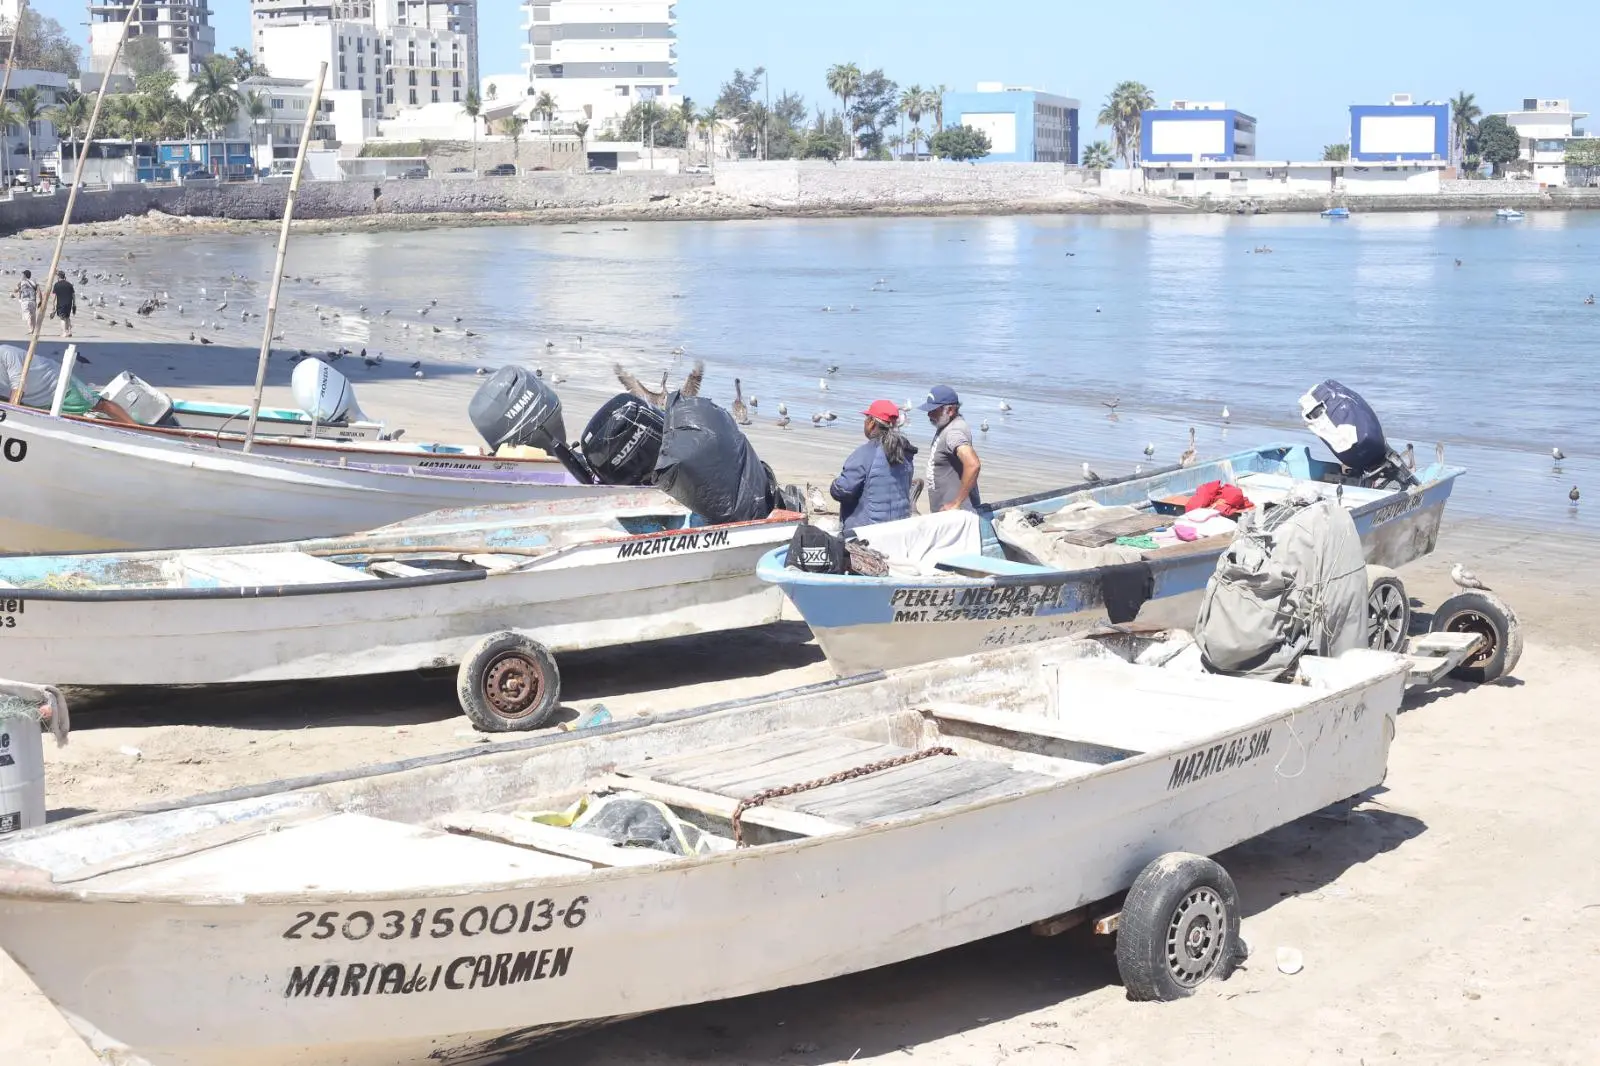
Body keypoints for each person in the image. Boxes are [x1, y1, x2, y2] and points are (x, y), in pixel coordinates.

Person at [831, 400, 917, 531]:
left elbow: (843, 491)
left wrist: (835, 485)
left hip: (867, 532)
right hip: (899, 529)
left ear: (871, 423)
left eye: (866, 418)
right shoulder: (906, 452)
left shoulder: (865, 453)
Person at [0, 344, 134, 421]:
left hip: (57, 382)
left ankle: (135, 429)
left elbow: (18, 387)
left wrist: (11, 417)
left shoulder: (6, 353)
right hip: (38, 400)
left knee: (99, 404)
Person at [917, 384, 982, 513]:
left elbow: (973, 464)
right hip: (946, 513)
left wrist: (957, 503)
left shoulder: (953, 433)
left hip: (956, 515)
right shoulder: (947, 424)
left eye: (934, 410)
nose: (929, 414)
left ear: (950, 410)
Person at [48, 270, 75, 338]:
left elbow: (54, 296)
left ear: (58, 277)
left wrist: (53, 305)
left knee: (62, 318)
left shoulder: (57, 285)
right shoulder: (69, 284)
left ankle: (64, 332)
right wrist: (74, 304)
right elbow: (73, 295)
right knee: (67, 317)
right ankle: (69, 332)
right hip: (69, 303)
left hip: (61, 304)